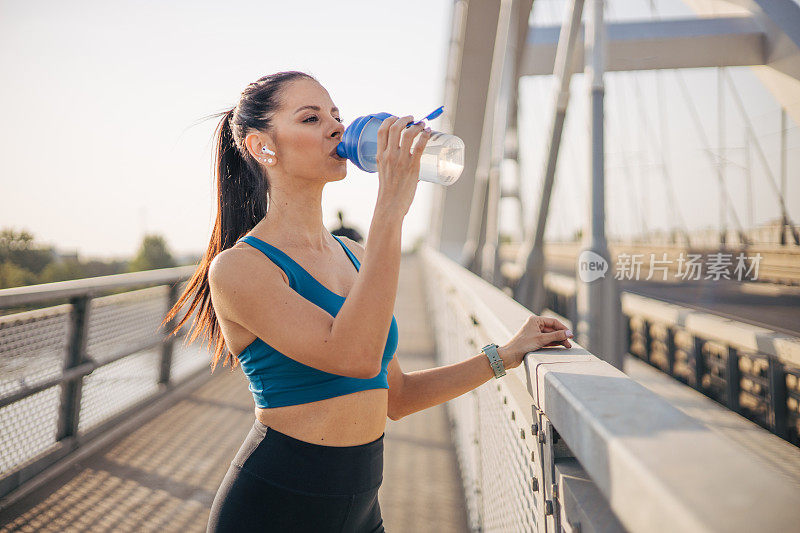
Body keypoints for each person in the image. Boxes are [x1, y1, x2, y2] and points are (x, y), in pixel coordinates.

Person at [161, 71, 573, 533]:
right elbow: (353, 358)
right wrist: (391, 211)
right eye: (311, 118)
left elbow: (397, 396)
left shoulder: (355, 256)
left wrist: (507, 355)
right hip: (275, 510)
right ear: (262, 147)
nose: (336, 127)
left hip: (361, 513)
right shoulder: (240, 269)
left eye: (336, 115)